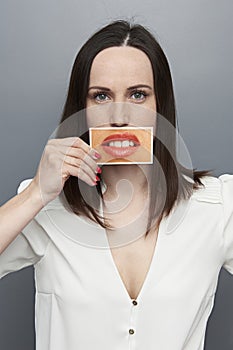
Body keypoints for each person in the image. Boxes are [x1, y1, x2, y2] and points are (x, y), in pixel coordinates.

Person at [0, 19, 232, 350]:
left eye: (138, 95)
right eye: (101, 96)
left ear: (159, 107)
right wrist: (36, 194)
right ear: (81, 110)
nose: (119, 116)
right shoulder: (44, 208)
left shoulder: (217, 206)